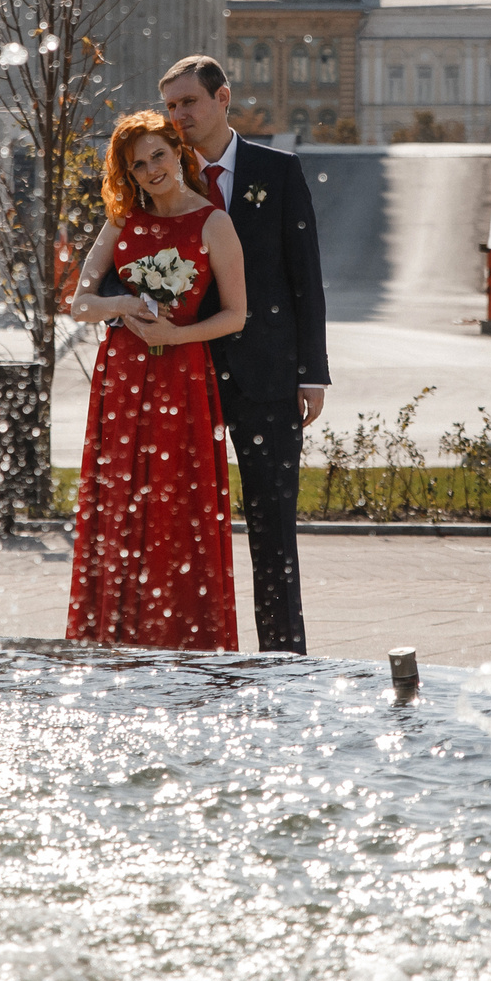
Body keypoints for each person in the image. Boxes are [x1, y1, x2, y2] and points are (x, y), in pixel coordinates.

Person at [155, 53, 329, 654]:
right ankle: (192, 653)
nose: (178, 116)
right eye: (171, 106)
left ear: (222, 99)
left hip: (269, 374)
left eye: (189, 103)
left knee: (273, 529)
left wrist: (312, 373)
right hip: (186, 375)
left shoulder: (277, 172)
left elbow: (305, 276)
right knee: (185, 525)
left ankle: (285, 659)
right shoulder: (159, 175)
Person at [64, 112, 250, 648]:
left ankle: (177, 635)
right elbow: (80, 304)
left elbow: (236, 315)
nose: (150, 170)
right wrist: (124, 305)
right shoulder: (122, 220)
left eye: (158, 156)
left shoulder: (214, 223)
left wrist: (175, 333)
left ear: (178, 152)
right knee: (119, 498)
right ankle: (114, 635)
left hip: (182, 374)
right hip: (121, 376)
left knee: (173, 502)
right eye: (137, 164)